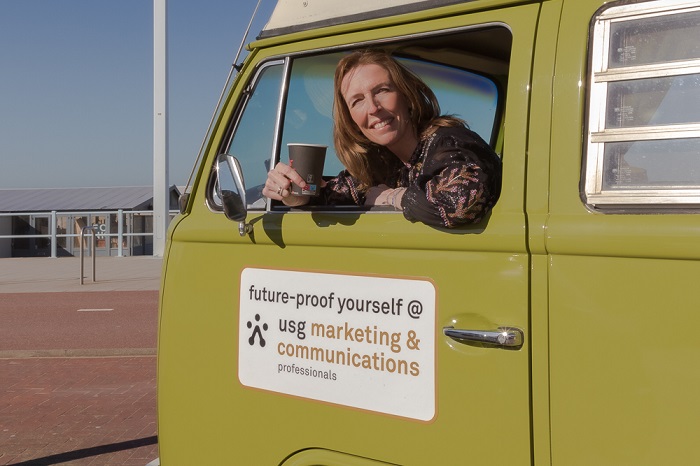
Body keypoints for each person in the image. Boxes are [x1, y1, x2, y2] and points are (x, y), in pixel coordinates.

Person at [262, 49, 502, 228]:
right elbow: (337, 195)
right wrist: (294, 194)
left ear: (406, 95)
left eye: (382, 91)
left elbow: (462, 201)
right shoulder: (383, 161)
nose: (373, 108)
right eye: (358, 101)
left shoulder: (449, 141)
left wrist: (393, 197)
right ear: (351, 118)